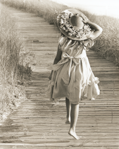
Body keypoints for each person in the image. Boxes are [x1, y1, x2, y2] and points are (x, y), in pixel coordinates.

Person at [48, 8, 103, 140]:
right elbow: (99, 29)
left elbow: (57, 58)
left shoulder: (62, 40)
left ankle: (68, 116)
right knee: (76, 99)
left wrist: (52, 73)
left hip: (65, 68)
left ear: (67, 27)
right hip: (80, 69)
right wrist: (87, 22)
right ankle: (72, 128)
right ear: (82, 28)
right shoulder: (85, 39)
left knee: (68, 90)